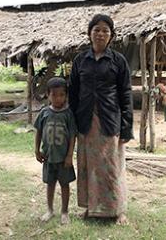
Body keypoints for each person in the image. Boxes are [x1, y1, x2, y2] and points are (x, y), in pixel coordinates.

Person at [69, 14, 133, 225]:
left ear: (111, 36)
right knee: (88, 167)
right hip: (85, 120)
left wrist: (126, 127)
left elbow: (126, 95)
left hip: (109, 120)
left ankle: (117, 210)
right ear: (89, 34)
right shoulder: (80, 60)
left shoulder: (118, 61)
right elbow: (73, 94)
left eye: (105, 30)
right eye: (96, 29)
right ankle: (91, 208)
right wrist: (72, 122)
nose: (100, 34)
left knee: (112, 166)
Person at [34, 77, 77, 225]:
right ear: (48, 95)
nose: (58, 98)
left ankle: (64, 212)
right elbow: (39, 132)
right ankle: (50, 210)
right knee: (50, 184)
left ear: (66, 96)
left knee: (65, 185)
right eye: (54, 95)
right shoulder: (44, 113)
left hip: (64, 158)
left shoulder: (68, 114)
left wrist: (70, 155)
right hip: (48, 157)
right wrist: (36, 150)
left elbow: (72, 136)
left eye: (61, 95)